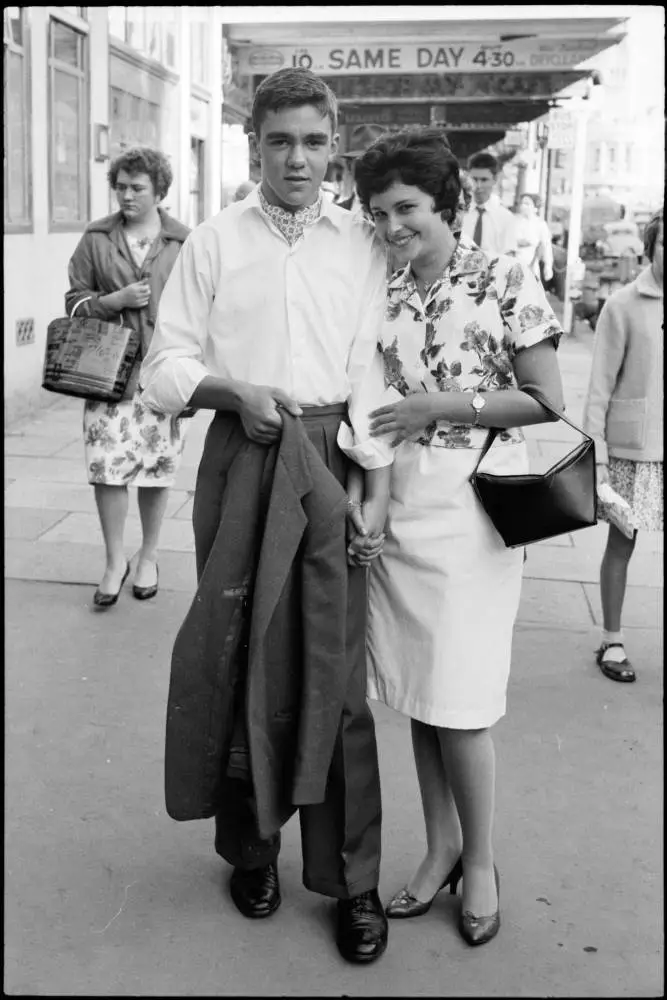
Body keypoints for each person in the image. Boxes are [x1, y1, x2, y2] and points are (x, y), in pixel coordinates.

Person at [139, 68, 393, 965]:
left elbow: (373, 370)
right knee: (240, 650)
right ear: (254, 145)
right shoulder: (212, 240)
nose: (297, 158)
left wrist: (374, 480)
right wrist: (229, 389)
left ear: (335, 147)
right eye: (280, 140)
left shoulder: (362, 243)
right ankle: (251, 851)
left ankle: (351, 877)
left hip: (331, 455)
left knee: (336, 669)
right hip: (244, 451)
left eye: (314, 141)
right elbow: (162, 366)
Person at [350, 126, 565, 947]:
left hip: (476, 508)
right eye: (378, 212)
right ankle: (438, 845)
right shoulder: (389, 291)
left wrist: (440, 405)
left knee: (463, 700)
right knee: (421, 696)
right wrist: (371, 505)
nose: (392, 225)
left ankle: (479, 860)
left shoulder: (505, 276)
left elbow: (544, 398)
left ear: (447, 202)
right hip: (404, 506)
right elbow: (372, 412)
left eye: (405, 207)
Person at [65, 146, 190, 609]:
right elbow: (73, 302)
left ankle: (150, 557)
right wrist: (112, 301)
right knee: (108, 469)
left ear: (160, 191)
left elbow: (203, 308)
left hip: (163, 372)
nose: (127, 195)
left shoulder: (183, 241)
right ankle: (115, 560)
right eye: (120, 186)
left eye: (137, 187)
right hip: (106, 375)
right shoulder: (97, 238)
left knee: (157, 471)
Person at [582, 208, 663, 683]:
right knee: (622, 541)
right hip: (633, 449)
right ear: (649, 247)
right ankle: (611, 640)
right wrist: (597, 457)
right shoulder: (623, 305)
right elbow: (599, 388)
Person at [461, 151, 517, 256]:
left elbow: (509, 258)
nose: (478, 186)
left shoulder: (506, 218)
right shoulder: (460, 212)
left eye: (484, 180)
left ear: (495, 180)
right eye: (474, 179)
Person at [514, 193, 554, 286]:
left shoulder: (540, 224)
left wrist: (548, 266)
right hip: (514, 263)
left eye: (527, 204)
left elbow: (546, 246)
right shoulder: (514, 221)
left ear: (535, 208)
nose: (523, 206)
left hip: (531, 264)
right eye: (522, 203)